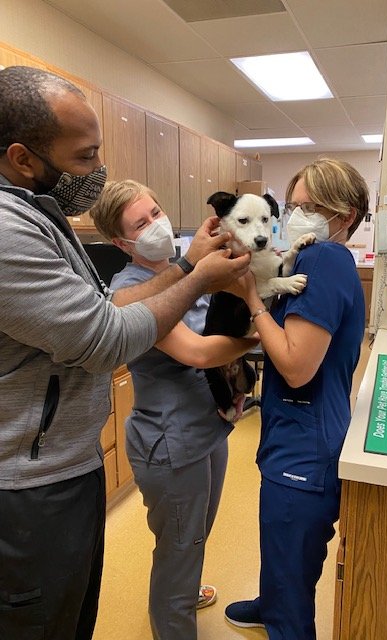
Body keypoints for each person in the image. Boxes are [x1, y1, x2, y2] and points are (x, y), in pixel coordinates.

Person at [0, 65, 250, 640]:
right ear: (23, 158)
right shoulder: (10, 231)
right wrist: (210, 290)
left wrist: (188, 268)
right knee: (44, 619)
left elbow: (105, 306)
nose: (97, 171)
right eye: (85, 157)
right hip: (31, 482)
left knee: (74, 607)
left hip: (67, 460)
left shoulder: (38, 215)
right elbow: (107, 336)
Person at [90, 179, 259, 640]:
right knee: (179, 546)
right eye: (140, 223)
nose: (155, 225)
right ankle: (173, 617)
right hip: (170, 441)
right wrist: (262, 338)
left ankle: (179, 591)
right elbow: (199, 352)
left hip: (208, 429)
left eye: (156, 211)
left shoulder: (187, 272)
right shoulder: (135, 288)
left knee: (194, 536)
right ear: (121, 242)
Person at [224, 158, 369, 639]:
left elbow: (295, 363)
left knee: (292, 559)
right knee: (282, 547)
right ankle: (271, 601)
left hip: (304, 449)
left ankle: (283, 616)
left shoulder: (324, 260)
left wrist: (250, 297)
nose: (295, 216)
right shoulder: (311, 258)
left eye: (310, 207)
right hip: (300, 430)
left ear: (345, 215)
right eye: (292, 205)